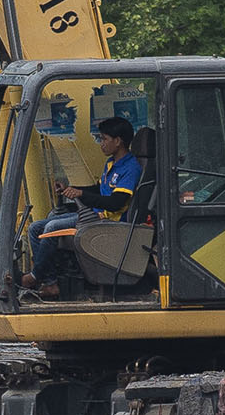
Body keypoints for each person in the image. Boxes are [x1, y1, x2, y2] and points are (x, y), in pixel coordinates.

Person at [30, 109, 151, 290]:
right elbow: (99, 190)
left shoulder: (131, 168)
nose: (101, 144)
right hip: (96, 215)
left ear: (117, 141)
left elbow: (116, 202)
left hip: (109, 222)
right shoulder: (111, 164)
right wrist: (72, 189)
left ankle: (35, 278)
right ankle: (50, 282)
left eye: (104, 139)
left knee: (51, 227)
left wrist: (82, 195)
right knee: (35, 227)